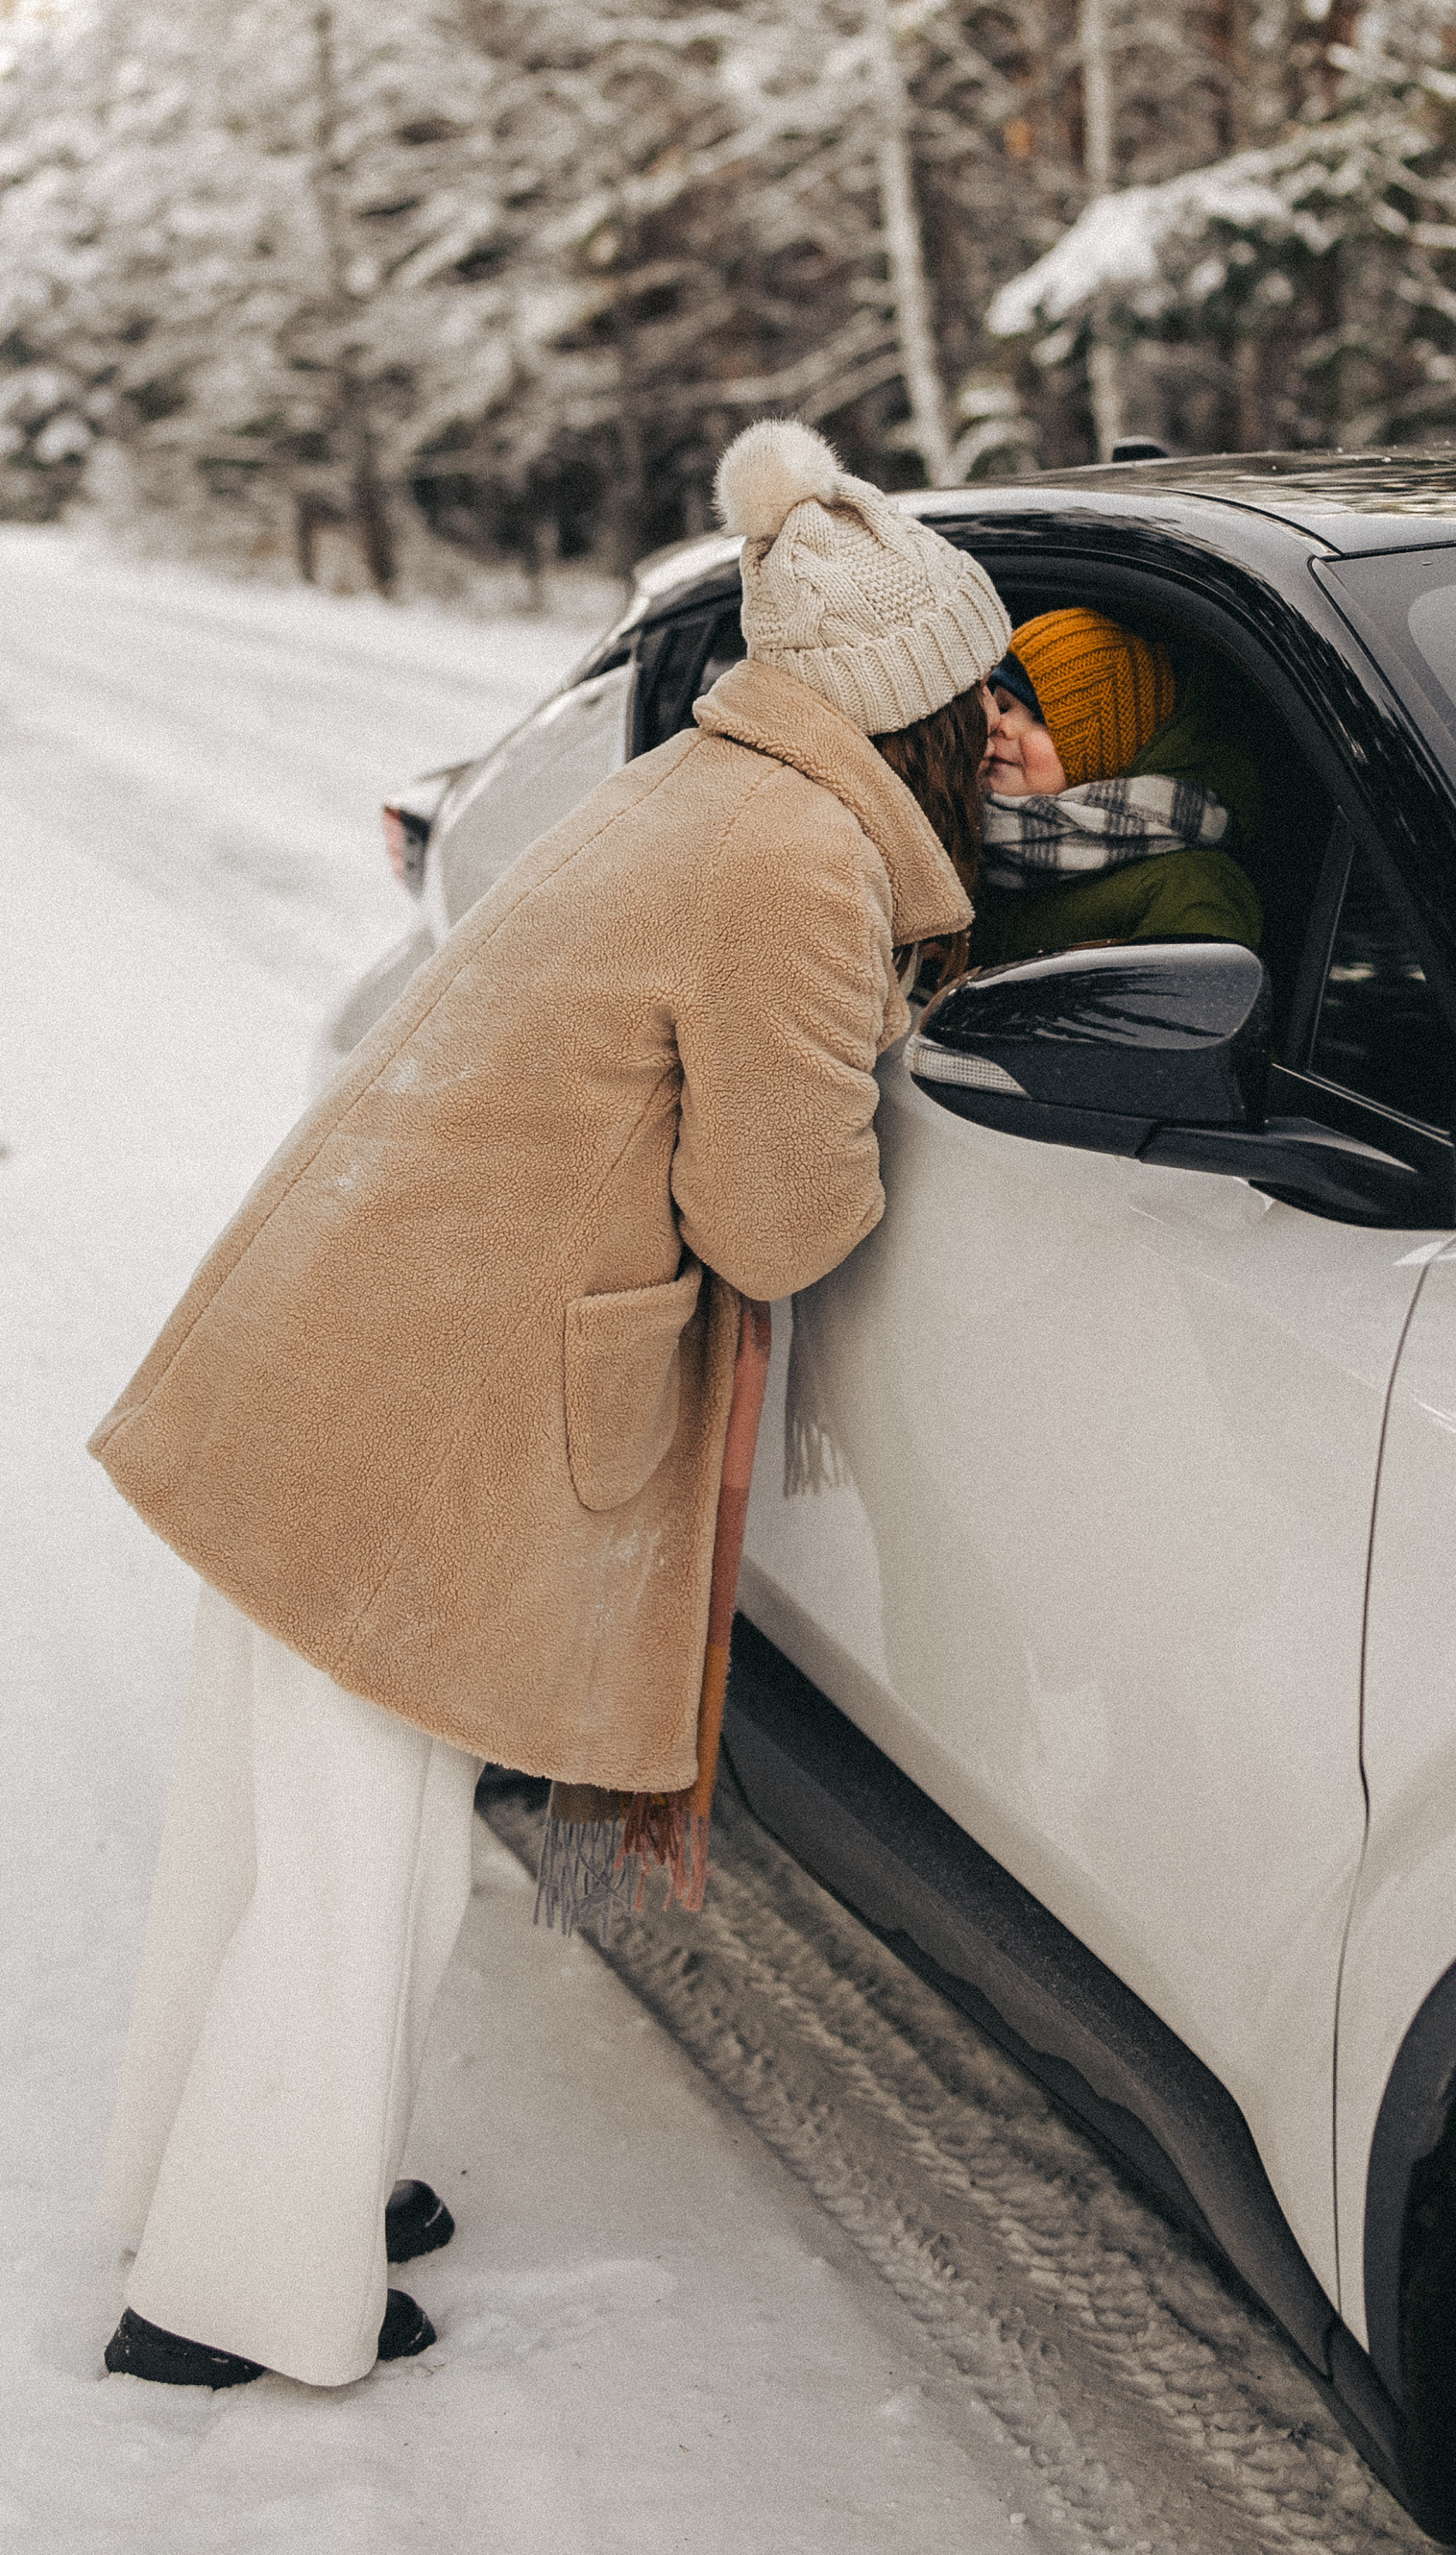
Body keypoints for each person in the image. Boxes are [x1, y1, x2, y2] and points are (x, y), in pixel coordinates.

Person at [88, 418, 1010, 2390]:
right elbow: (775, 1223)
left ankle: (225, 2181)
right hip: (419, 1407)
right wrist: (885, 1037)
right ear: (915, 705)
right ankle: (231, 2289)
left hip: (328, 1349)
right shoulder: (793, 862)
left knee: (271, 1834)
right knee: (370, 1866)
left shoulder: (713, 777)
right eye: (983, 687)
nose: (1003, 719)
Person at [969, 606, 1262, 971]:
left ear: (1105, 748)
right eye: (1000, 707)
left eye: (1038, 717)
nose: (1000, 726)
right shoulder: (972, 849)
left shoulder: (1189, 887)